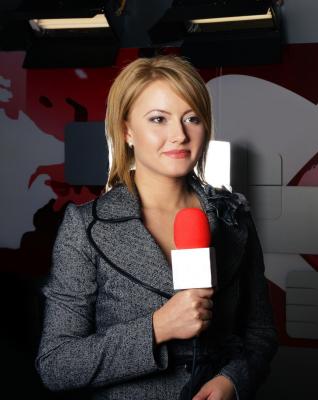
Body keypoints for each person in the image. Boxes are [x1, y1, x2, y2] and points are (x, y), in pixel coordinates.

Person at [35, 55, 278, 400]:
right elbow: (57, 364)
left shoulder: (233, 215)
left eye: (191, 118)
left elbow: (260, 333)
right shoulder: (84, 227)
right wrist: (156, 328)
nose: (179, 135)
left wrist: (232, 381)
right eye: (158, 119)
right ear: (126, 131)